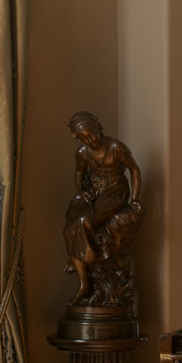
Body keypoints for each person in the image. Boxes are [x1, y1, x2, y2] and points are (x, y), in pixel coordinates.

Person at [64, 111, 144, 305]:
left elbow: (134, 170)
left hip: (115, 192)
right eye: (84, 137)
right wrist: (81, 190)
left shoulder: (116, 147)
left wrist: (135, 199)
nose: (90, 139)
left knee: (85, 221)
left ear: (99, 128)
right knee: (71, 223)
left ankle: (83, 254)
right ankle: (82, 277)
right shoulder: (82, 153)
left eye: (91, 134)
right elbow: (78, 173)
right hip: (93, 190)